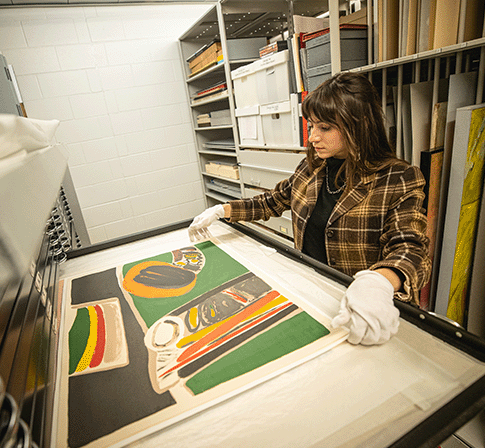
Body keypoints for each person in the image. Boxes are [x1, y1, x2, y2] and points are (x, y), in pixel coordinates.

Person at [189, 72, 431, 346]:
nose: (313, 137)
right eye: (311, 125)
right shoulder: (312, 167)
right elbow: (272, 201)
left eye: (325, 128)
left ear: (359, 125)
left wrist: (378, 283)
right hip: (315, 295)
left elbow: (411, 250)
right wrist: (223, 210)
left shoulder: (398, 177)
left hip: (363, 310)